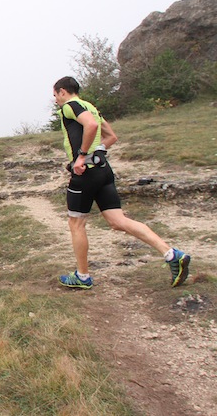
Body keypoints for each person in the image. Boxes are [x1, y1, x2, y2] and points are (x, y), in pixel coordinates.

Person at [52, 76, 191, 289]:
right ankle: (172, 254)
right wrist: (96, 152)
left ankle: (82, 276)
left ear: (63, 91)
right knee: (118, 221)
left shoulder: (70, 106)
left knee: (76, 223)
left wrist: (81, 157)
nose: (55, 101)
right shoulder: (91, 107)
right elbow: (111, 136)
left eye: (55, 95)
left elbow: (89, 125)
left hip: (86, 175)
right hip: (103, 171)